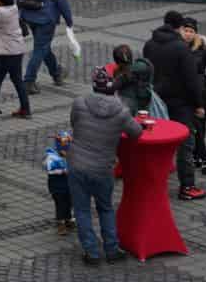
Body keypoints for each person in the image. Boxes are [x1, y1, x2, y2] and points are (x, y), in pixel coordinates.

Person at [66, 68, 141, 265]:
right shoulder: (121, 111)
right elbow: (136, 133)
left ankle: (91, 253)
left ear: (93, 86)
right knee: (105, 208)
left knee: (82, 210)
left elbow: (74, 123)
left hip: (77, 165)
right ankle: (112, 249)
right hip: (102, 168)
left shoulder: (79, 103)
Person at [145, 10, 206, 200]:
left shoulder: (150, 44)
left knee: (157, 142)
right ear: (180, 27)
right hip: (180, 103)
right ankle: (187, 186)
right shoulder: (181, 48)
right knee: (185, 144)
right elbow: (191, 80)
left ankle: (153, 183)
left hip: (157, 100)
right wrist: (199, 104)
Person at [17, 0, 73, 92]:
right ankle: (28, 81)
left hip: (30, 15)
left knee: (43, 45)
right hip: (45, 17)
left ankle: (56, 73)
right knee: (40, 48)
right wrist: (68, 19)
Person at [182, 17, 206, 175]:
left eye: (191, 31)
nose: (188, 34)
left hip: (203, 95)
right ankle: (202, 157)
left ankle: (199, 156)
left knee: (201, 127)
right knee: (194, 127)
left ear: (195, 34)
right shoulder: (177, 48)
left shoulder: (202, 50)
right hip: (185, 94)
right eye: (186, 30)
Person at [45, 130, 73, 237]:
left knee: (69, 202)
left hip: (69, 185)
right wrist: (62, 171)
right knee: (60, 204)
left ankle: (68, 219)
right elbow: (49, 169)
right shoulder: (52, 156)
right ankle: (60, 223)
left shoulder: (70, 154)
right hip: (57, 186)